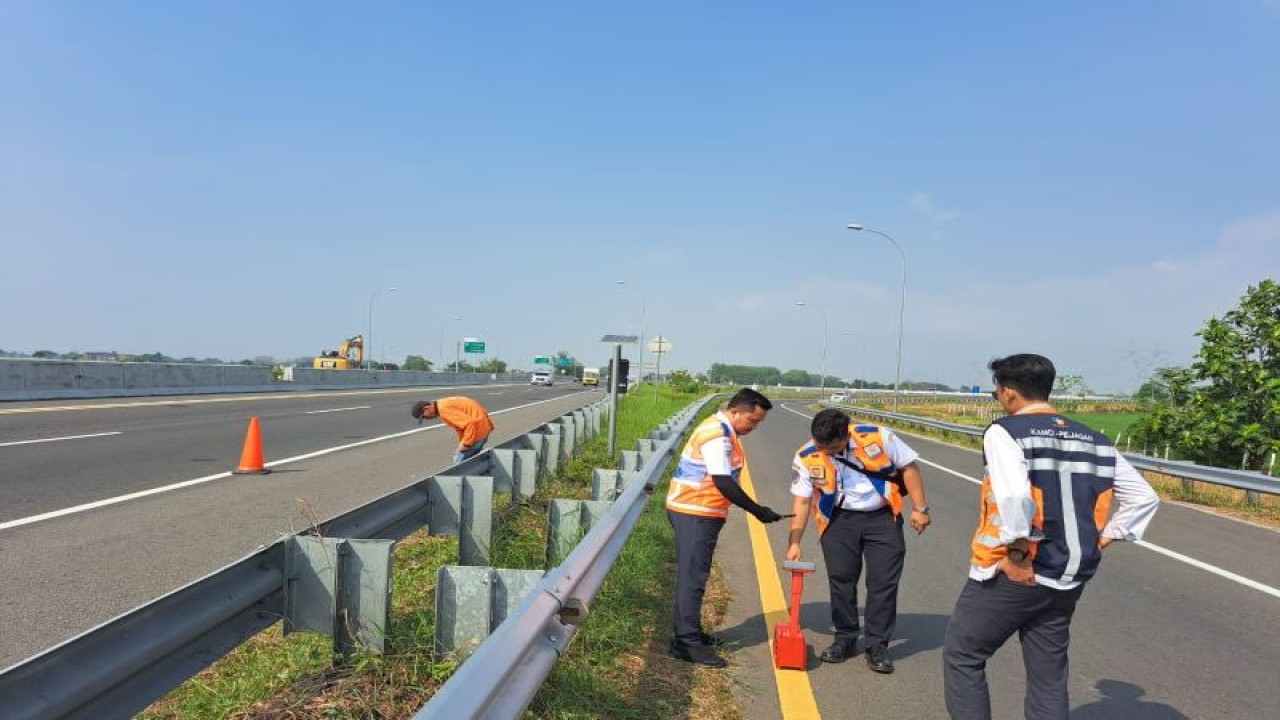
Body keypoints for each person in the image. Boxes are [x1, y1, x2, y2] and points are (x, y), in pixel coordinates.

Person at [943, 354, 1160, 720]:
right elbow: (1144, 497)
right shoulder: (1095, 439)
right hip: (1069, 575)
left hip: (1019, 571)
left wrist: (1018, 556)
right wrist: (1105, 537)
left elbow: (1013, 497)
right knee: (1048, 674)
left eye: (998, 390)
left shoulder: (1006, 431)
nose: (999, 397)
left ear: (1009, 391)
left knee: (964, 656)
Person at [786, 407, 931, 674]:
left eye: (831, 448)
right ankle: (845, 638)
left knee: (883, 582)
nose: (825, 452)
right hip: (838, 521)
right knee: (841, 580)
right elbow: (803, 500)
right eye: (821, 446)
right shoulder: (806, 455)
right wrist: (794, 540)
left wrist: (921, 509)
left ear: (845, 436)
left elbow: (909, 468)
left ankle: (877, 644)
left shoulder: (878, 438)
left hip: (883, 517)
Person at [666, 387, 783, 668]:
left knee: (696, 575)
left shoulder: (723, 430)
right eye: (752, 421)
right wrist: (758, 511)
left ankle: (689, 633)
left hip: (699, 509)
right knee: (693, 579)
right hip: (694, 510)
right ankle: (686, 643)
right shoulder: (718, 435)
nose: (753, 427)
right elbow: (723, 481)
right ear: (735, 411)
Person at [411, 396, 495, 464]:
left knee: (458, 463)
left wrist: (466, 444)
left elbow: (469, 424)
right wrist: (462, 441)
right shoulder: (443, 403)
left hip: (477, 433)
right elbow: (460, 427)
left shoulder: (444, 409)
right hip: (482, 429)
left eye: (424, 416)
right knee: (472, 460)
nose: (427, 419)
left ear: (426, 408)